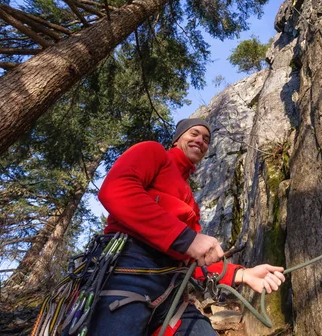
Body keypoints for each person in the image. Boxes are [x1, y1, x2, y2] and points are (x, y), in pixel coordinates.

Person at [87, 118, 286, 335]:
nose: (200, 140)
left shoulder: (190, 201)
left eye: (206, 139)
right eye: (194, 134)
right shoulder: (153, 152)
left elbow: (195, 258)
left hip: (172, 288)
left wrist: (243, 274)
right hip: (128, 270)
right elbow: (116, 189)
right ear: (176, 139)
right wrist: (186, 238)